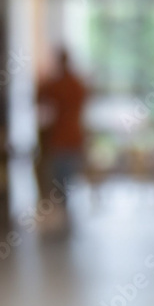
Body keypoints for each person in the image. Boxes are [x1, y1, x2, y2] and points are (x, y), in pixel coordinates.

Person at [36, 49, 88, 234]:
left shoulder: (60, 84)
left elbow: (38, 96)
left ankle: (64, 215)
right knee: (64, 179)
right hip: (70, 138)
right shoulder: (76, 83)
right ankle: (64, 215)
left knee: (61, 180)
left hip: (63, 139)